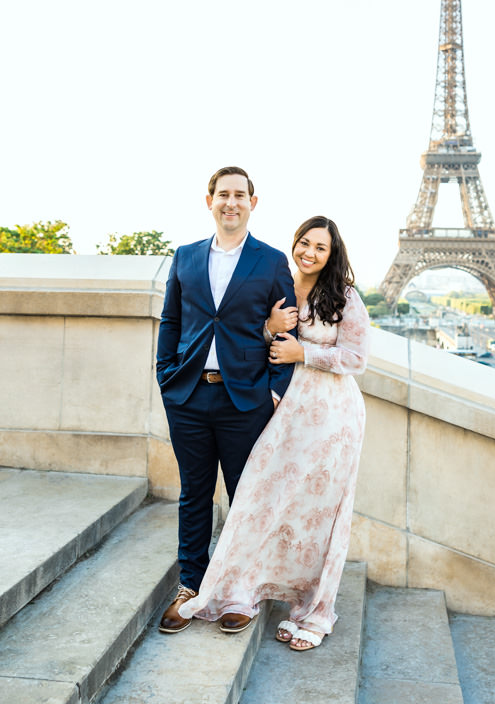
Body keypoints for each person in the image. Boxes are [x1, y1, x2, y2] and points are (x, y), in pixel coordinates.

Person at [178, 215, 369, 651]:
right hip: (283, 412)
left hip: (331, 416)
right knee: (271, 504)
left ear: (331, 253)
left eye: (320, 247)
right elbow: (253, 337)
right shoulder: (280, 284)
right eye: (305, 242)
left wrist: (306, 351)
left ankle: (313, 612)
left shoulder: (344, 295)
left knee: (321, 515)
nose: (310, 252)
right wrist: (268, 329)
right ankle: (250, 589)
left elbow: (357, 358)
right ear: (295, 243)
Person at [156, 166, 297, 634]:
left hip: (245, 400)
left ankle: (240, 590)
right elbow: (171, 322)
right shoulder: (186, 257)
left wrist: (274, 389)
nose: (231, 202)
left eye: (240, 195)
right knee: (194, 494)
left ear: (252, 203)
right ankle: (191, 585)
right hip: (190, 395)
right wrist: (165, 378)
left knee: (245, 497)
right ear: (209, 200)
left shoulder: (272, 261)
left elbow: (286, 329)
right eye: (223, 195)